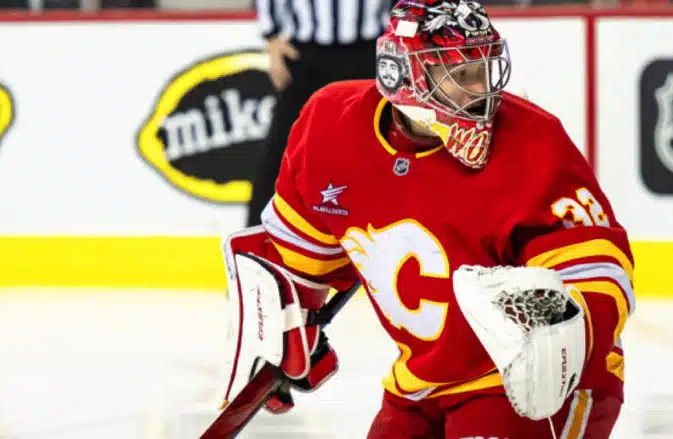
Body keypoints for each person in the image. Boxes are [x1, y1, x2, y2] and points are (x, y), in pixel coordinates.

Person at [219, 1, 633, 437]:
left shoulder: (531, 140)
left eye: (482, 68)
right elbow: (295, 260)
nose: (480, 90)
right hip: (420, 386)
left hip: (526, 387)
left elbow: (599, 270)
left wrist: (564, 339)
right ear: (404, 76)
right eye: (460, 75)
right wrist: (285, 331)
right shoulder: (330, 124)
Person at [245, 0, 392, 227]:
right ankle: (257, 242)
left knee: (384, 147)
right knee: (284, 150)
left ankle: (397, 232)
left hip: (372, 51)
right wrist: (272, 39)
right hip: (306, 53)